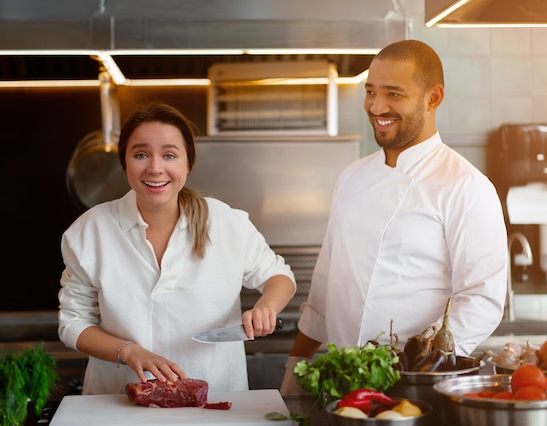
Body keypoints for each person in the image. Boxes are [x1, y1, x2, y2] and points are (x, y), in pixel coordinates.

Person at [280, 39, 508, 394]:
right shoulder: (351, 177)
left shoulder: (465, 186)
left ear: (433, 98)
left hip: (415, 391)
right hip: (341, 388)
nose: (376, 106)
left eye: (393, 94)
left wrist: (415, 369)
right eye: (370, 91)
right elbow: (324, 290)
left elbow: (482, 298)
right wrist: (293, 374)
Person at [58, 102, 296, 394]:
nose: (155, 168)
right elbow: (72, 323)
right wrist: (128, 351)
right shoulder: (90, 230)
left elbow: (279, 276)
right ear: (125, 163)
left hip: (215, 396)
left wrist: (266, 307)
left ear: (187, 163)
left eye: (169, 155)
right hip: (119, 400)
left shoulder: (226, 223)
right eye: (141, 154)